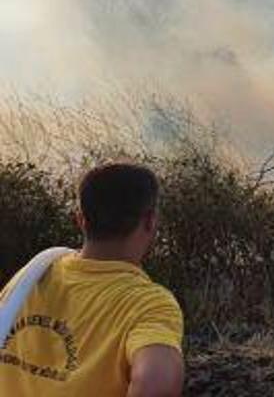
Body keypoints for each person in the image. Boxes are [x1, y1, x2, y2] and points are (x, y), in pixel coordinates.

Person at [0, 163, 184, 396]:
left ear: (80, 219)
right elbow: (156, 383)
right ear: (150, 221)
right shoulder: (148, 304)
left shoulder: (34, 273)